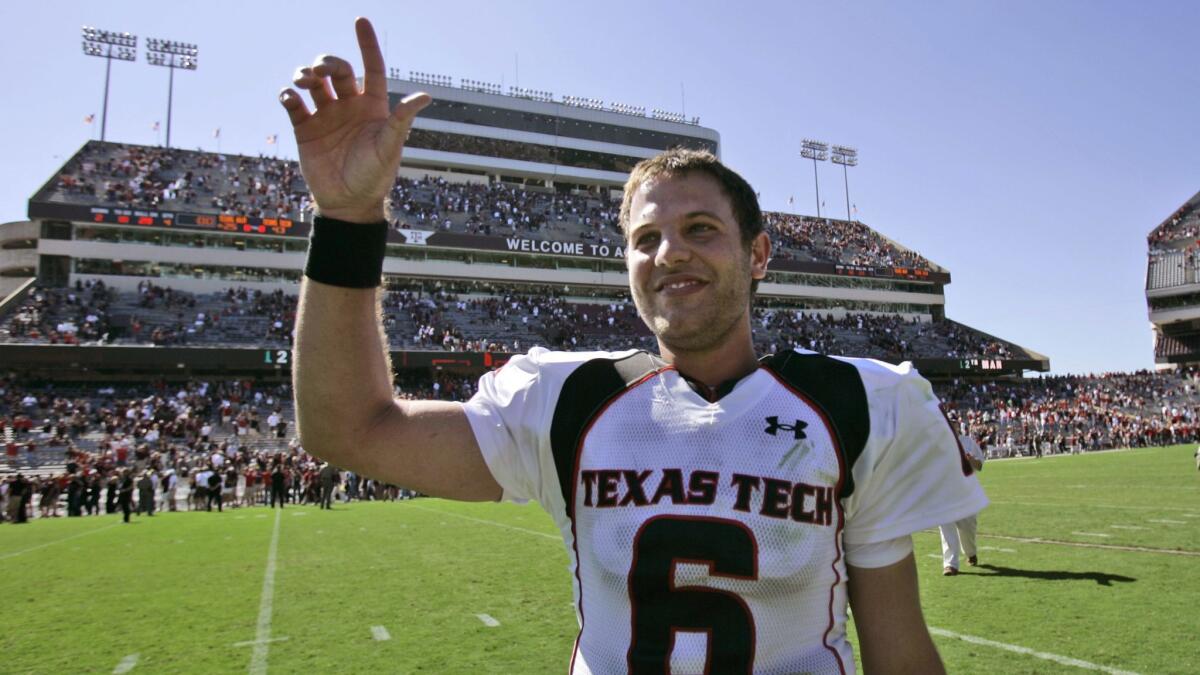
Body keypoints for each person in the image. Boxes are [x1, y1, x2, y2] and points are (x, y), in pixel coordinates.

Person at [281, 18, 986, 673]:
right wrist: (348, 218)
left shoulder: (858, 404)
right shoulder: (566, 401)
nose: (670, 252)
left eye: (701, 229)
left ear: (759, 253)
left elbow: (901, 653)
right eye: (646, 239)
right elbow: (348, 428)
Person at [939, 434, 986, 576]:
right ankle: (950, 564)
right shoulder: (936, 438)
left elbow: (980, 465)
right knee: (946, 528)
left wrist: (971, 460)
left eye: (954, 422)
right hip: (943, 492)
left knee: (967, 528)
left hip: (965, 493)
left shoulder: (968, 442)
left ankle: (971, 553)